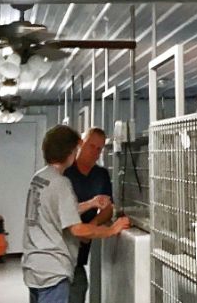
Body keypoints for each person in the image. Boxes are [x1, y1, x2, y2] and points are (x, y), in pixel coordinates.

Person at [22, 125, 130, 303]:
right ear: (71, 151)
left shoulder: (40, 177)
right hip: (53, 270)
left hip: (34, 266)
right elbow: (77, 230)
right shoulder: (61, 182)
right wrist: (112, 229)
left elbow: (55, 210)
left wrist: (91, 203)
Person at [64, 127, 113, 303]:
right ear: (81, 144)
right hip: (62, 248)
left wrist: (93, 225)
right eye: (91, 146)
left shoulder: (101, 175)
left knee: (78, 287)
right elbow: (61, 211)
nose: (95, 152)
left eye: (99, 149)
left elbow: (108, 208)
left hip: (80, 251)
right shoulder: (65, 173)